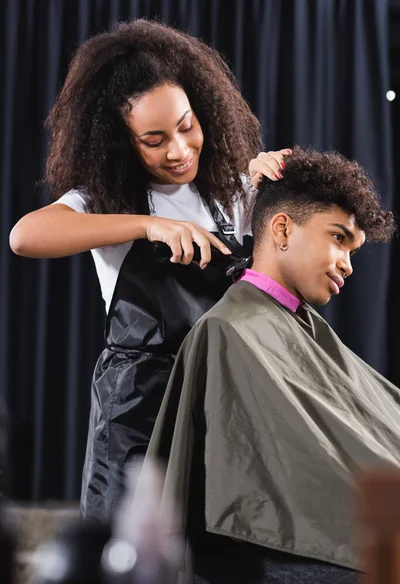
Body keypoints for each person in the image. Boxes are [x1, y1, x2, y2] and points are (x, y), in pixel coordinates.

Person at [9, 19, 289, 521]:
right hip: (139, 416)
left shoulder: (233, 192)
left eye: (187, 127)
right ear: (122, 141)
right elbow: (24, 237)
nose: (179, 151)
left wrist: (274, 182)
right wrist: (146, 225)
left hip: (222, 404)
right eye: (154, 139)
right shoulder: (105, 201)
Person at [144, 146, 399, 584]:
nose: (347, 263)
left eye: (353, 249)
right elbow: (298, 470)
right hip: (268, 561)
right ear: (282, 228)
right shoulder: (230, 331)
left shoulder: (296, 323)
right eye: (338, 238)